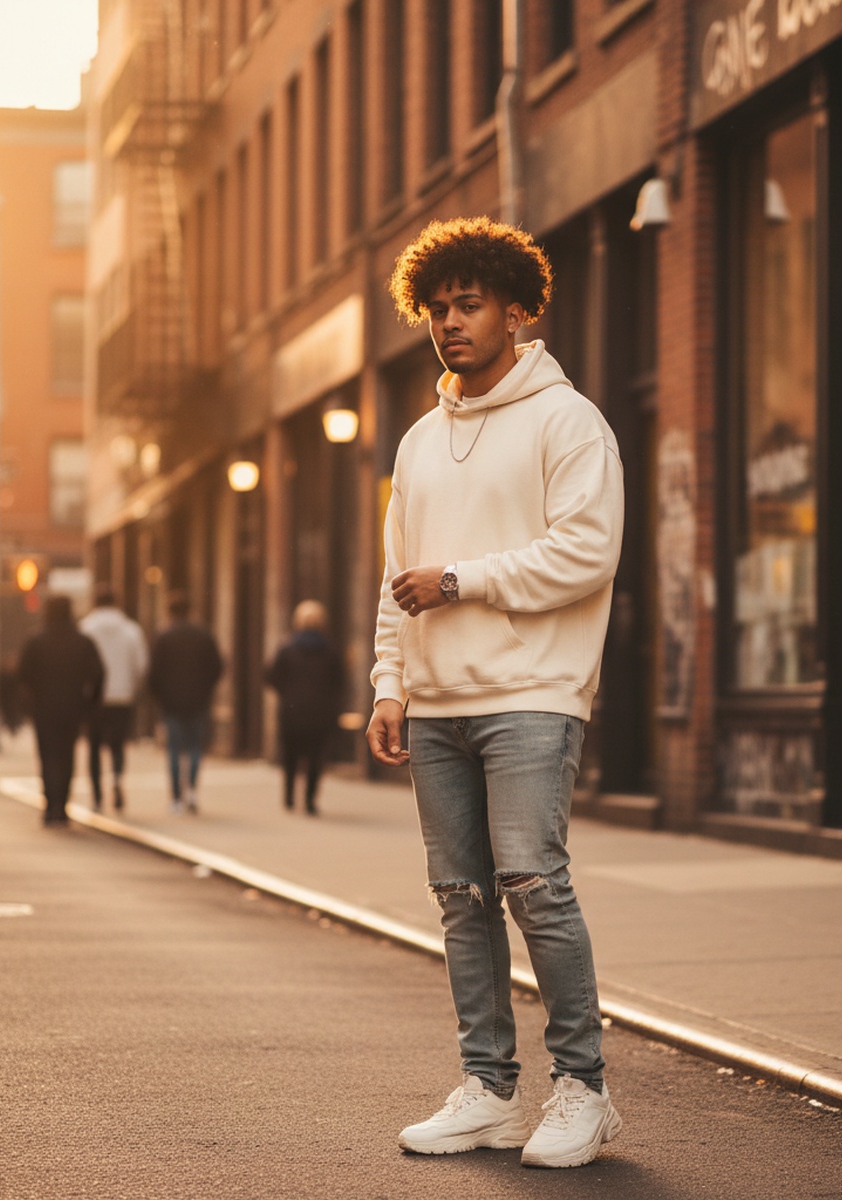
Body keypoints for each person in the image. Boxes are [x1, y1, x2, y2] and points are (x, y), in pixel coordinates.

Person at [367, 216, 625, 1169]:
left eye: (467, 304)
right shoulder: (420, 441)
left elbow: (587, 553)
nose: (449, 323)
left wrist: (463, 580)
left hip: (531, 691)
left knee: (533, 884)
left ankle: (583, 1090)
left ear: (519, 310)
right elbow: (396, 577)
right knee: (459, 896)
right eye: (435, 309)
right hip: (433, 705)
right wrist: (390, 685)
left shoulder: (569, 422)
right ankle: (487, 1089)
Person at [17, 595, 105, 826]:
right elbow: (98, 674)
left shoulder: (36, 641)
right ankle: (62, 805)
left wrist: (30, 702)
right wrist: (91, 704)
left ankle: (50, 804)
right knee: (67, 755)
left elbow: (23, 675)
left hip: (44, 707)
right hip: (72, 707)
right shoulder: (83, 642)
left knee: (47, 755)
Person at [265, 600, 346, 815]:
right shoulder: (331, 650)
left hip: (291, 711)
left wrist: (288, 693)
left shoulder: (287, 648)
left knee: (290, 754)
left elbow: (272, 677)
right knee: (315, 757)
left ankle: (290, 797)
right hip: (320, 713)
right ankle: (310, 800)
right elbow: (340, 681)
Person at [148, 591, 223, 814]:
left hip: (172, 702)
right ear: (190, 611)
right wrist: (206, 689)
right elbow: (217, 666)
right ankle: (191, 789)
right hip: (198, 700)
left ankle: (176, 798)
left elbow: (154, 673)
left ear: (169, 612)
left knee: (174, 749)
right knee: (193, 747)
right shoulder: (203, 635)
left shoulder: (164, 637)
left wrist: (159, 696)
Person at [80, 586, 149, 813]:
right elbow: (141, 665)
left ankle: (97, 795)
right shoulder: (130, 630)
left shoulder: (86, 628)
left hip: (94, 698)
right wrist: (133, 689)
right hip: (122, 695)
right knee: (118, 745)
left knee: (94, 747)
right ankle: (117, 779)